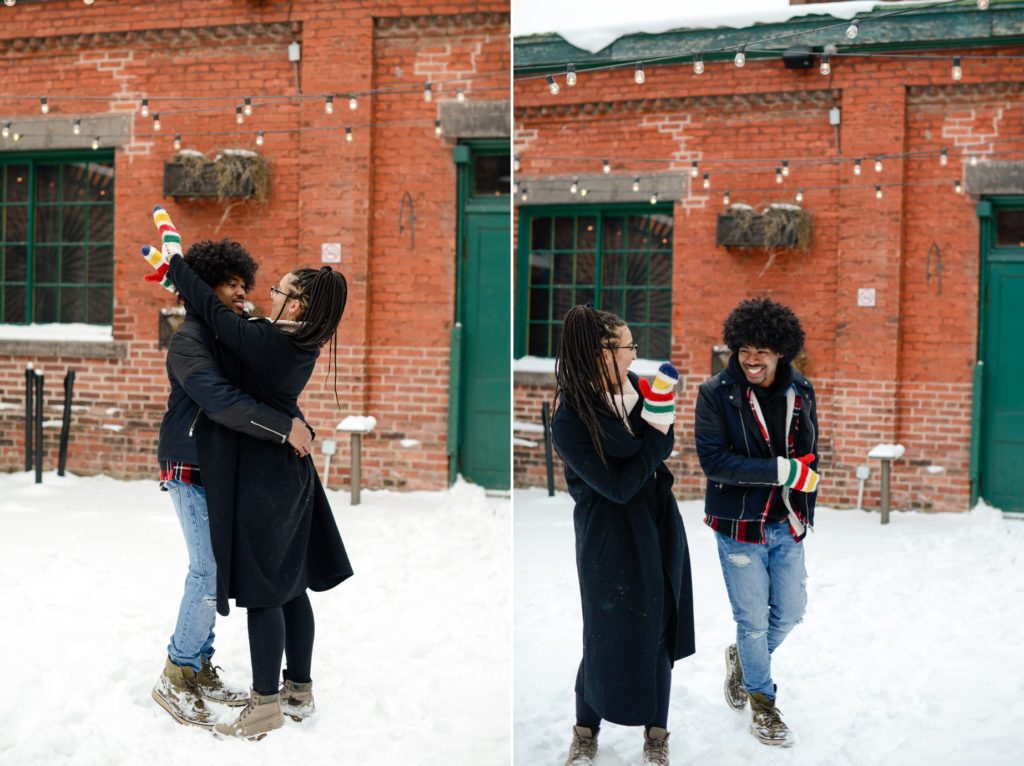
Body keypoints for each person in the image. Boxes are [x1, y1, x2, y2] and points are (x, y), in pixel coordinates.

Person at [142, 206, 353, 740]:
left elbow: (259, 367)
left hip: (232, 469)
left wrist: (290, 424)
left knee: (229, 572)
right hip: (190, 462)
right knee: (210, 572)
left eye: (245, 284)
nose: (241, 294)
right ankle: (178, 669)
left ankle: (199, 665)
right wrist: (287, 426)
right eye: (228, 286)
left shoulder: (253, 333)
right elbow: (218, 398)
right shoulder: (193, 338)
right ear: (208, 290)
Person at [551, 305, 695, 766]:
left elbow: (663, 443)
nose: (635, 355)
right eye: (629, 346)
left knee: (658, 630)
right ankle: (585, 731)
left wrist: (660, 431)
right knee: (604, 633)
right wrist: (657, 436)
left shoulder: (639, 392)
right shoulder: (571, 419)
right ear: (602, 354)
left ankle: (657, 734)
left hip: (657, 523)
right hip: (607, 538)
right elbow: (617, 486)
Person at [693, 297, 820, 748]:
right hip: (739, 528)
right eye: (745, 347)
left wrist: (804, 506)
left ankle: (744, 663)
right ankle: (763, 705)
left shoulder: (800, 391)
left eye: (763, 349)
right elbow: (714, 461)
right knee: (752, 623)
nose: (752, 357)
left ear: (781, 351)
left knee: (789, 613)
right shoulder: (715, 393)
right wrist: (780, 471)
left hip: (786, 524)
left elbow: (810, 455)